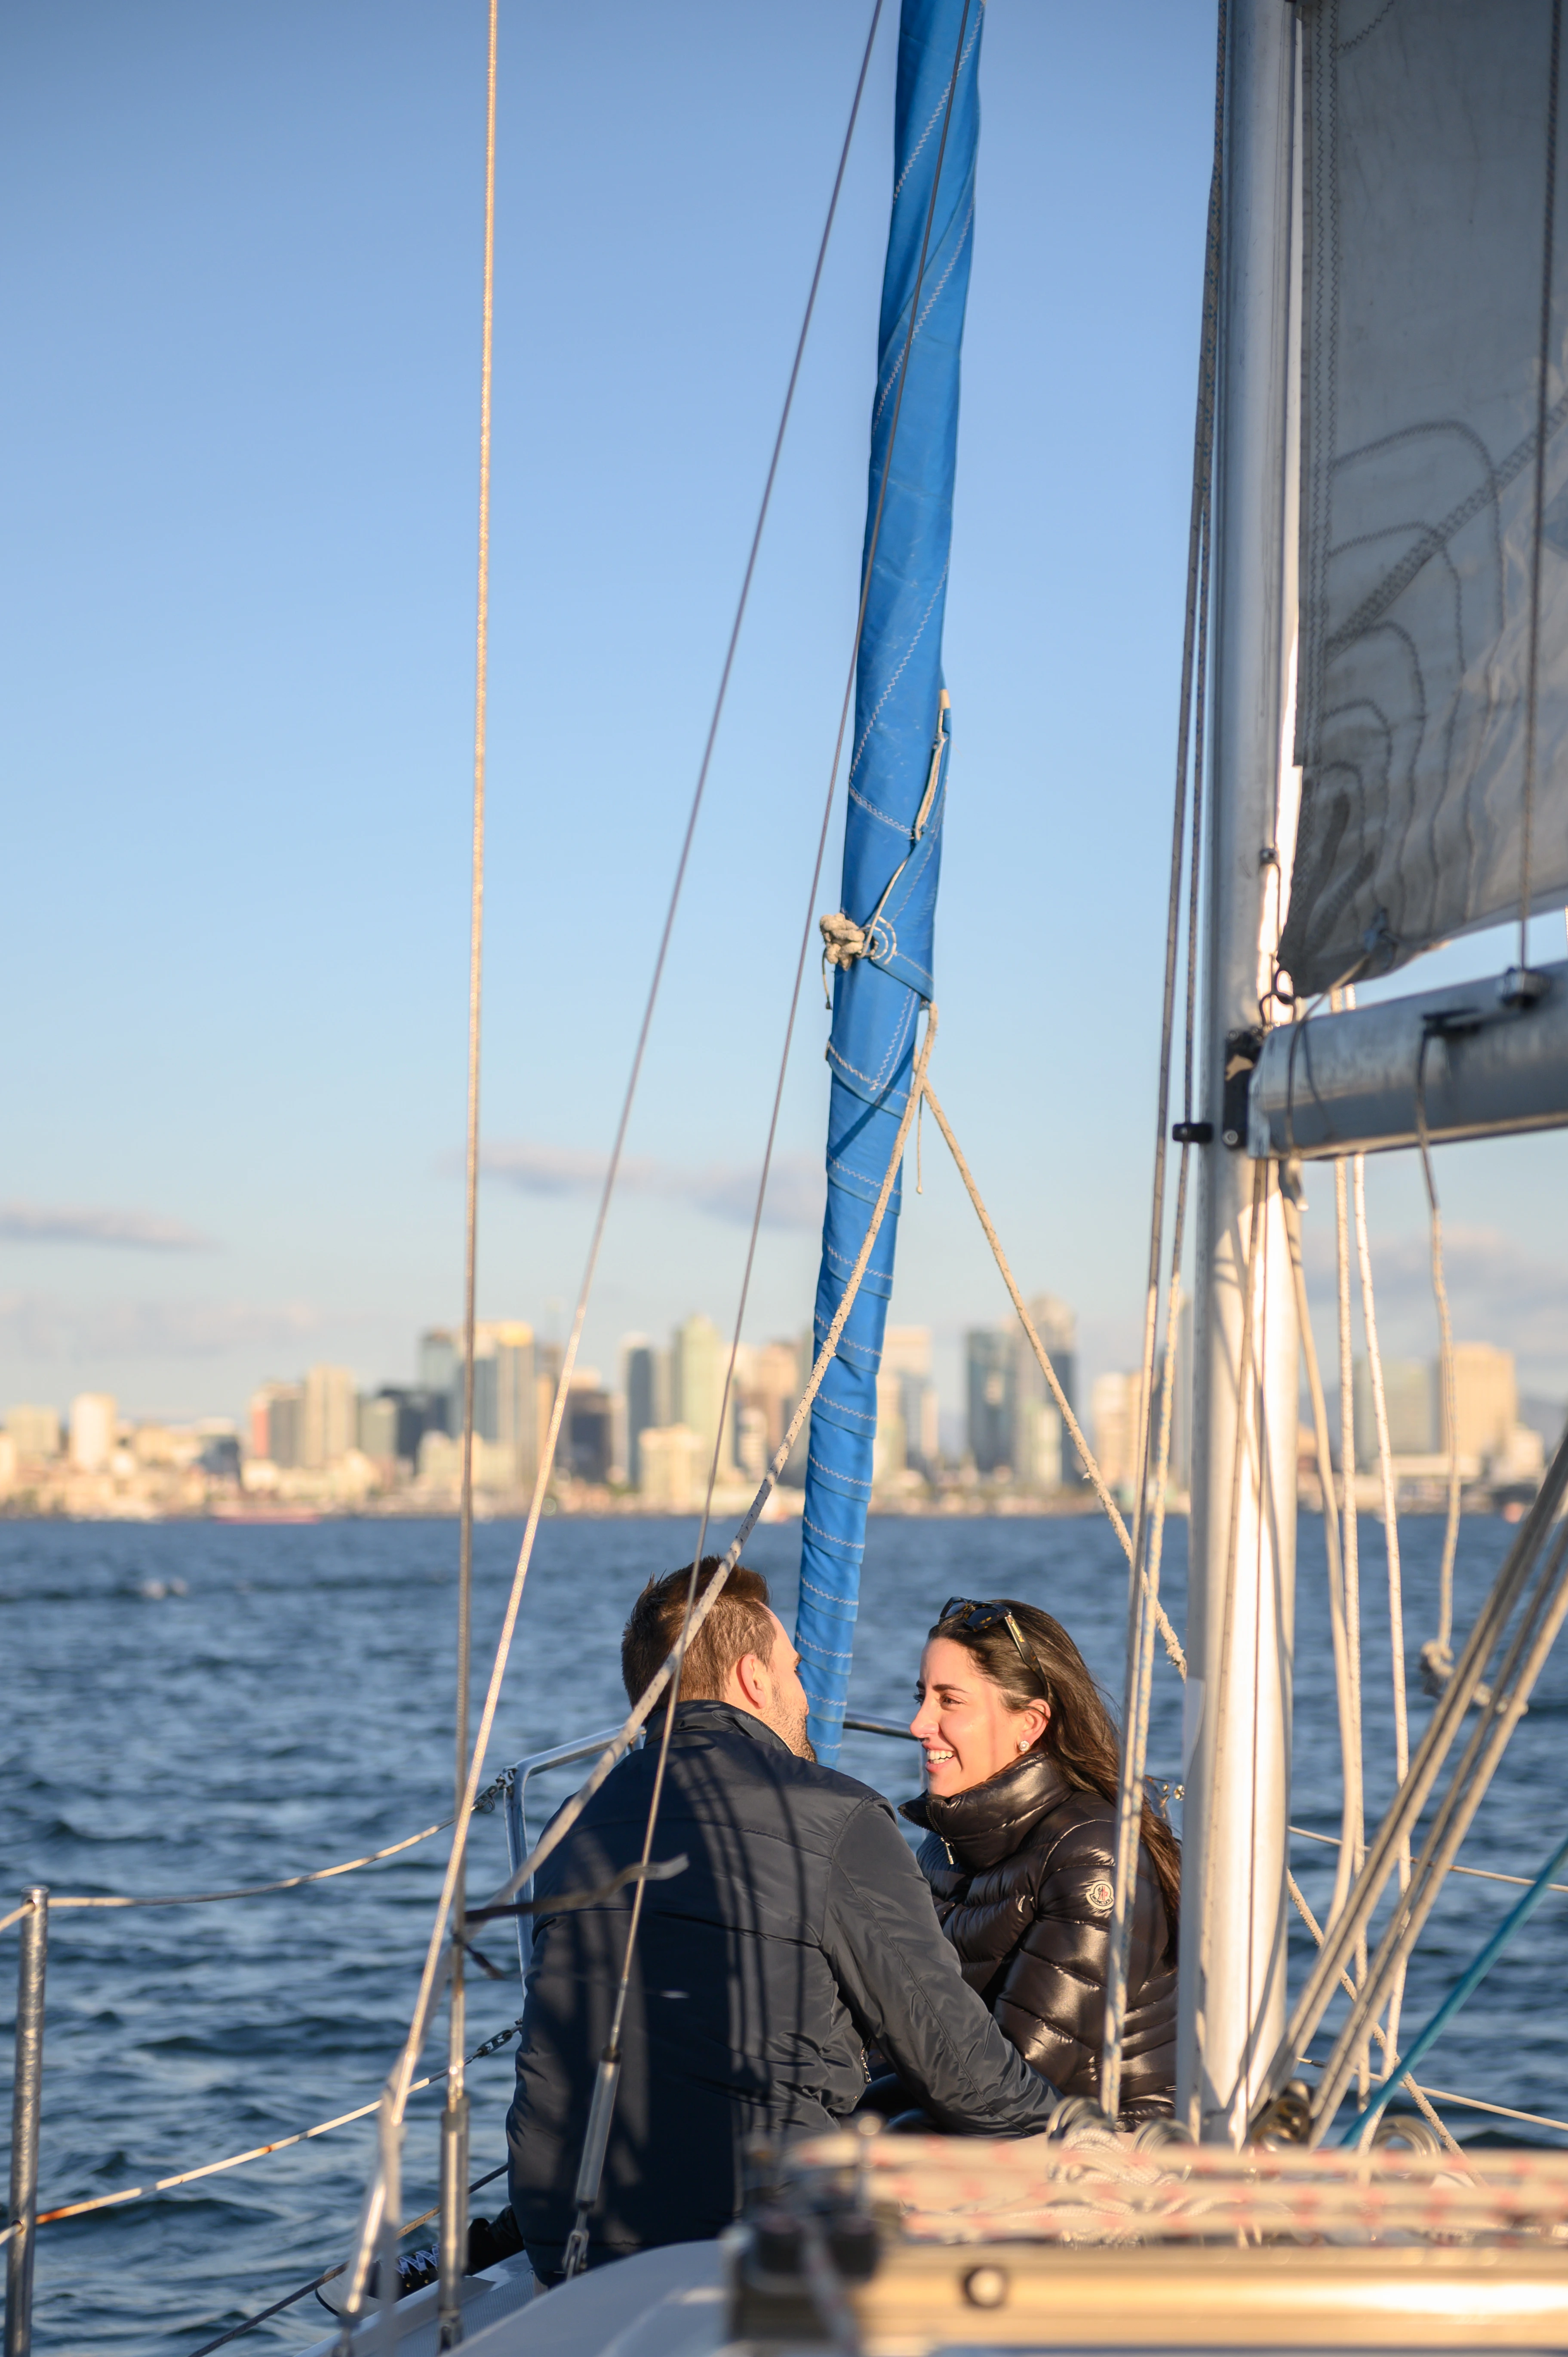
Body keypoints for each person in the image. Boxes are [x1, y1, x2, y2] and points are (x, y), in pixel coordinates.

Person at [504, 1560, 1059, 2278]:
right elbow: (961, 2073)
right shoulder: (836, 1816)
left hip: (566, 2247)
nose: (806, 1695)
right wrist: (1079, 2138)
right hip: (755, 2237)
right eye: (794, 1671)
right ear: (753, 1679)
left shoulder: (571, 1827)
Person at [900, 1597, 1179, 2122]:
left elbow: (1011, 2087)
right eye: (921, 1697)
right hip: (990, 2140)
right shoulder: (944, 1845)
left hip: (1106, 2159)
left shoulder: (1093, 1856)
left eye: (948, 1701)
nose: (919, 1724)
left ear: (1028, 1722)